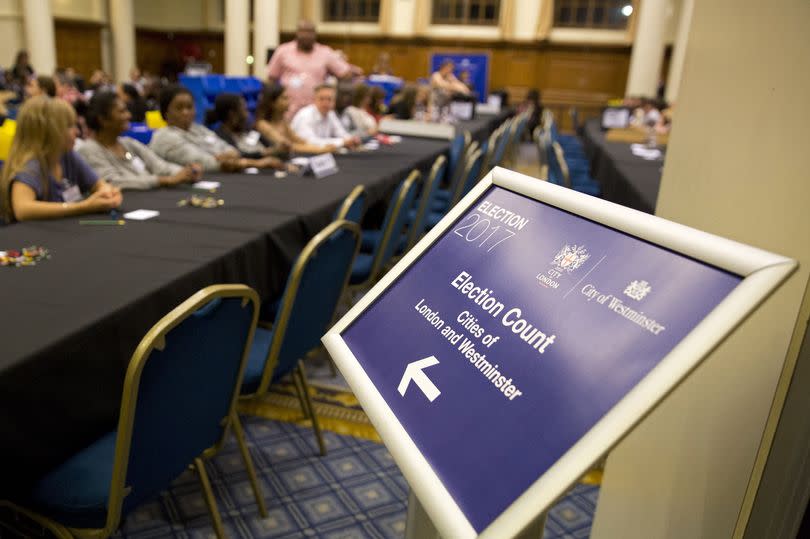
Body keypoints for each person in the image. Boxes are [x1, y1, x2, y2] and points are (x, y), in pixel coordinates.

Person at [0, 96, 122, 223]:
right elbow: (23, 210)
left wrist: (107, 193)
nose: (77, 131)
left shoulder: (66, 155)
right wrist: (84, 206)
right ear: (47, 132)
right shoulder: (31, 166)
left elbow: (99, 184)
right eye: (69, 126)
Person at [78, 90, 201, 190]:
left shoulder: (128, 143)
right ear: (103, 120)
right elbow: (113, 182)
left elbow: (160, 166)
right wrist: (162, 180)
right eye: (122, 112)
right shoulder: (89, 150)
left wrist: (187, 172)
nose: (129, 115)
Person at [150, 84, 278, 172]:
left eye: (189, 107)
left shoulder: (197, 129)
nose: (186, 112)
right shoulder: (164, 137)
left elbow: (230, 149)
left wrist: (228, 155)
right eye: (179, 108)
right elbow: (205, 163)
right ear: (165, 112)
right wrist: (255, 163)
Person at [266, 20, 354, 118]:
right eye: (303, 31)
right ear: (297, 33)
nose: (306, 35)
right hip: (288, 111)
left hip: (316, 112)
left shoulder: (325, 52)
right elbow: (271, 78)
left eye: (310, 32)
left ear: (315, 34)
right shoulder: (283, 51)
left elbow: (345, 74)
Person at [254, 83, 338, 155]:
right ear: (273, 103)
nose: (289, 102)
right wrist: (320, 150)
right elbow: (288, 147)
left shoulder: (283, 121)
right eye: (284, 98)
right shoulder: (263, 124)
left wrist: (321, 147)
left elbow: (299, 141)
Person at [207, 92, 285, 167]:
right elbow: (237, 155)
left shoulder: (249, 131)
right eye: (244, 110)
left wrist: (279, 149)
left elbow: (272, 147)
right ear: (232, 114)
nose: (247, 115)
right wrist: (264, 154)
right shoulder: (220, 136)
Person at [291, 84, 361, 149]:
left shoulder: (330, 113)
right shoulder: (305, 116)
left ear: (334, 101)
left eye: (329, 99)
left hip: (320, 155)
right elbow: (310, 142)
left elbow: (341, 133)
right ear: (314, 100)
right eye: (321, 99)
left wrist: (351, 139)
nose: (326, 103)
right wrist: (342, 142)